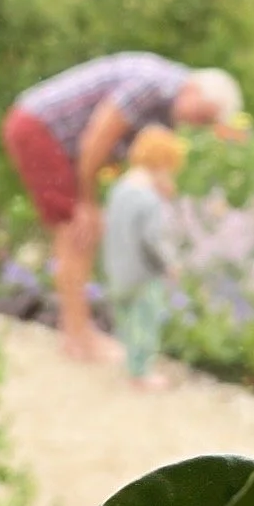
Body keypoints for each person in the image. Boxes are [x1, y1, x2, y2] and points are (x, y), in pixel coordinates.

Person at [0, 52, 242, 362]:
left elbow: (138, 157)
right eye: (204, 116)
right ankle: (78, 337)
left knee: (80, 232)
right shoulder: (153, 85)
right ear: (195, 90)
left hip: (57, 140)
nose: (199, 124)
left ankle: (76, 334)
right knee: (77, 231)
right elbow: (96, 140)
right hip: (40, 129)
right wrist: (87, 202)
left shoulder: (166, 106)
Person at [102, 125, 186, 390]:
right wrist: (170, 263)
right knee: (145, 322)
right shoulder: (148, 199)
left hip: (117, 268)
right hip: (143, 273)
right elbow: (153, 239)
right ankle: (141, 373)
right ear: (162, 163)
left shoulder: (120, 189)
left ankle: (130, 364)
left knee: (126, 320)